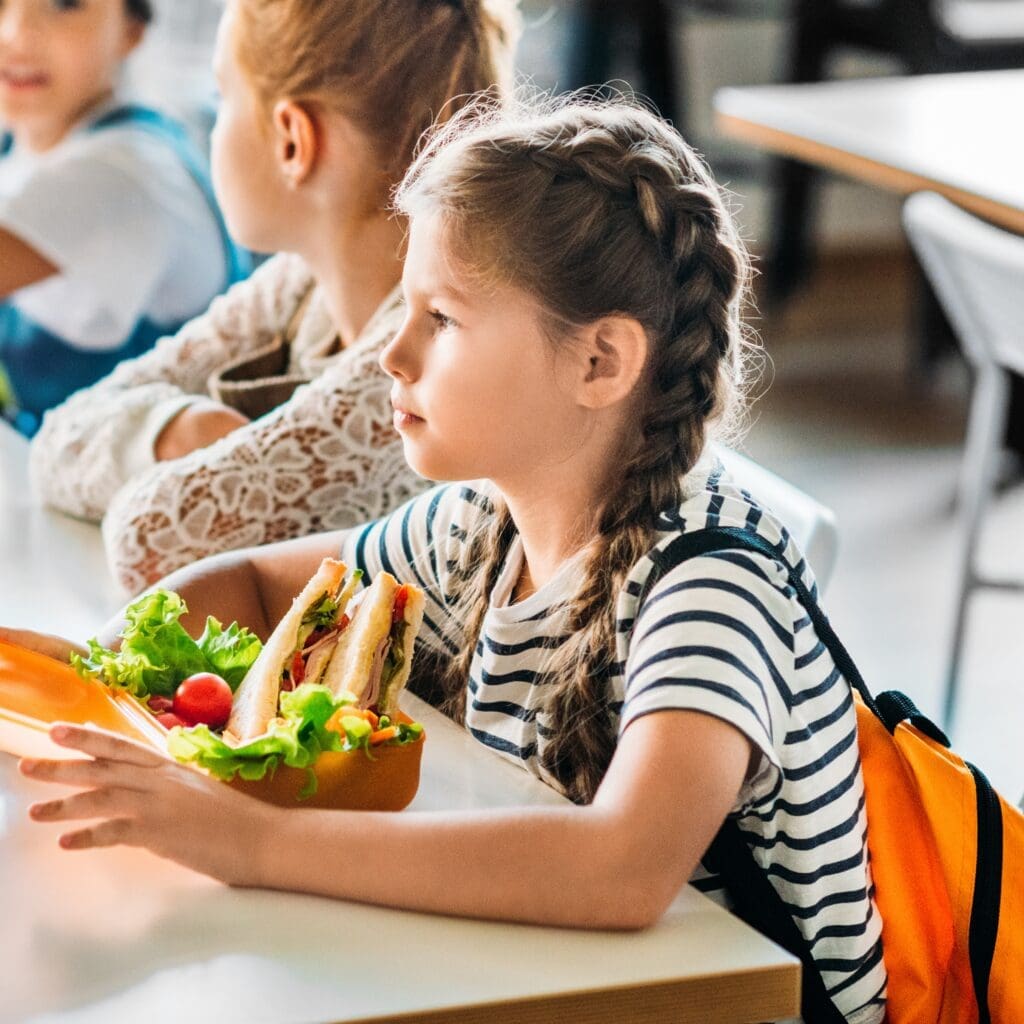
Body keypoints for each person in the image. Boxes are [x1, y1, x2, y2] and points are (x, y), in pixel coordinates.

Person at [16, 97, 887, 1023]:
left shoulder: (712, 578)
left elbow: (623, 868)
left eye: (442, 318)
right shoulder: (478, 522)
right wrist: (111, 684)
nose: (393, 354)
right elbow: (257, 585)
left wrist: (253, 843)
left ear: (599, 362)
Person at [28, 0, 520, 595]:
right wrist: (174, 428)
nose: (214, 122)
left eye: (224, 96)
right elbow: (61, 435)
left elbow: (150, 540)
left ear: (293, 139)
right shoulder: (297, 284)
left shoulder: (432, 347)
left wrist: (156, 441)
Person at [0, 0, 245, 438]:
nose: (16, 35)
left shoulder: (121, 177)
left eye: (63, 5)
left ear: (132, 30)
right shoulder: (18, 147)